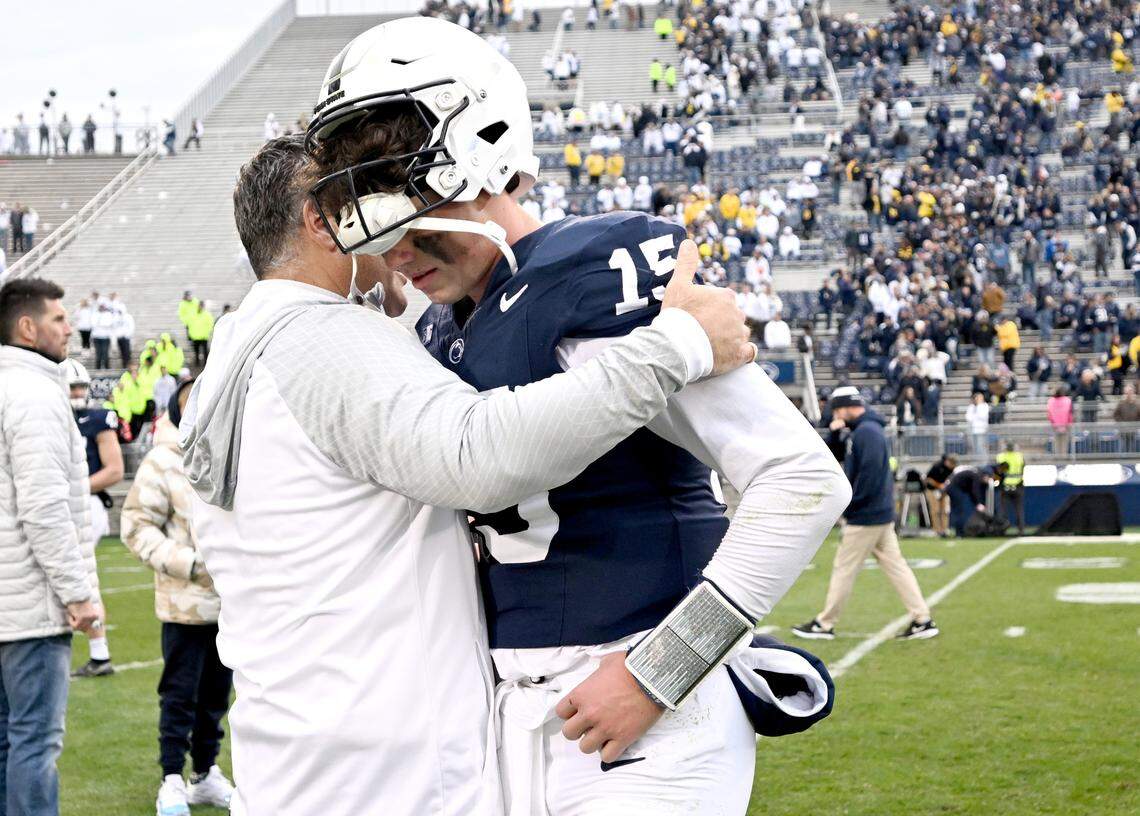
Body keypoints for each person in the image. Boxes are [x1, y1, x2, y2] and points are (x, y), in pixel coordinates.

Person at [306, 18, 847, 814]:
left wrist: (662, 670)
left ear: (481, 154)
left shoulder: (589, 278)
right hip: (516, 713)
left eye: (410, 214)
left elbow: (802, 480)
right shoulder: (440, 324)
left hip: (643, 706)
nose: (397, 251)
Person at [184, 131, 759, 816]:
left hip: (296, 751)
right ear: (319, 220)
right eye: (365, 203)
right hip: (384, 767)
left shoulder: (232, 357)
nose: (392, 229)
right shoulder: (322, 336)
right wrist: (680, 344)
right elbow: (480, 456)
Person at [0, 277, 102, 815]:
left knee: (6, 745)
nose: (69, 328)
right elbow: (42, 508)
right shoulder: (34, 393)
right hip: (30, 609)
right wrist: (76, 593)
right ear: (27, 326)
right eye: (59, 319)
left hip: (6, 601)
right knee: (34, 744)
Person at [122, 379, 235, 815]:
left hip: (230, 606)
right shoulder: (163, 461)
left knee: (216, 697)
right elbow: (135, 526)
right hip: (184, 606)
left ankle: (205, 774)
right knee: (179, 695)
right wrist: (188, 563)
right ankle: (171, 777)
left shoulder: (231, 449)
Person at [793, 387, 937, 641]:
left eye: (837, 409)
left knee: (844, 568)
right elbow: (835, 454)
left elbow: (868, 475)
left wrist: (851, 506)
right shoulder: (863, 430)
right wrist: (837, 434)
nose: (835, 414)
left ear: (848, 406)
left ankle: (825, 624)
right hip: (878, 513)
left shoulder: (866, 432)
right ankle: (922, 619)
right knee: (896, 567)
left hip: (866, 515)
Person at [61, 358, 122, 677]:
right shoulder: (52, 418)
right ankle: (98, 653)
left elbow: (115, 470)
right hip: (66, 506)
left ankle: (100, 655)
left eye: (81, 386)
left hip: (87, 505)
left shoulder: (96, 418)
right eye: (72, 387)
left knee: (81, 577)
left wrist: (73, 487)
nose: (77, 393)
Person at [945, 465, 1001, 537]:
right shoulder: (977, 476)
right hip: (954, 488)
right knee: (959, 511)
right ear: (986, 476)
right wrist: (978, 503)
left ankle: (960, 533)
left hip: (954, 488)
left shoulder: (976, 475)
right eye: (989, 478)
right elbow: (975, 491)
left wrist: (977, 503)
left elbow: (972, 491)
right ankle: (959, 533)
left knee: (959, 511)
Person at [924, 453, 957, 537]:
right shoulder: (937, 466)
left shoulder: (952, 469)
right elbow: (928, 479)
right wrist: (939, 485)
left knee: (945, 511)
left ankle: (944, 530)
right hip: (932, 490)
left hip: (943, 491)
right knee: (935, 510)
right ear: (947, 461)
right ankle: (937, 530)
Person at [995, 442, 1025, 535]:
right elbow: (1023, 469)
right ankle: (1021, 529)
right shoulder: (1019, 456)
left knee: (1003, 509)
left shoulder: (1001, 457)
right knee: (1019, 509)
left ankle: (1002, 529)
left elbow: (999, 472)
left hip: (1005, 486)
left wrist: (996, 482)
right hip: (1018, 485)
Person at [1047, 387, 1074, 456]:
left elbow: (1049, 414)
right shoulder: (1067, 400)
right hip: (1066, 425)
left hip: (1055, 425)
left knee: (1056, 442)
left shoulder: (1050, 401)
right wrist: (1070, 422)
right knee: (1064, 442)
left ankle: (1057, 458)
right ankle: (1063, 459)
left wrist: (1052, 422)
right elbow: (1070, 413)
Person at [187, 301, 214, 366]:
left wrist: (207, 332)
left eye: (202, 306)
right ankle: (197, 363)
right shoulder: (193, 314)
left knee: (205, 351)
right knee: (196, 351)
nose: (200, 307)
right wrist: (191, 334)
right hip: (195, 336)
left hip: (204, 336)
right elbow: (190, 324)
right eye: (199, 305)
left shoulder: (207, 314)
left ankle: (206, 363)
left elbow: (210, 324)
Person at [965, 391, 990, 456]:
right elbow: (968, 417)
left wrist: (978, 405)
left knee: (981, 446)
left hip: (981, 430)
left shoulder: (984, 406)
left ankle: (982, 461)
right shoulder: (971, 406)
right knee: (973, 447)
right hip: (972, 430)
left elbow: (982, 416)